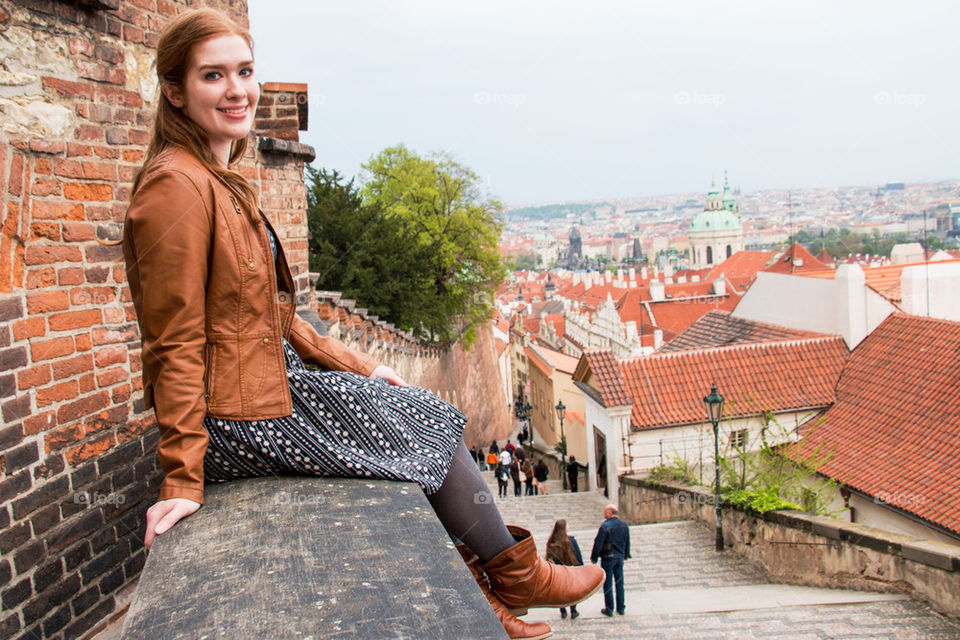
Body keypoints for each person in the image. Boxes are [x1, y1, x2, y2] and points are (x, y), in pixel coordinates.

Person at [122, 10, 603, 639]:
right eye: (214, 75)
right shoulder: (175, 187)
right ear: (176, 90)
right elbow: (173, 342)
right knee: (422, 425)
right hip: (234, 418)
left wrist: (360, 364)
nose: (237, 90)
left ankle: (497, 587)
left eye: (245, 71)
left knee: (419, 412)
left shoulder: (217, 176)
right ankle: (516, 577)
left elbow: (268, 316)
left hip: (262, 389)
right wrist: (184, 476)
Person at [590, 504, 631, 617]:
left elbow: (598, 543)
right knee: (619, 583)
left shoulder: (605, 526)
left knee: (607, 583)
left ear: (609, 512)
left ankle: (609, 608)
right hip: (619, 557)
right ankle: (621, 607)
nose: (604, 514)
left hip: (608, 558)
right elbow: (627, 541)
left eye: (605, 512)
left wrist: (594, 558)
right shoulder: (624, 525)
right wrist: (626, 554)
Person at [546, 520, 584, 620]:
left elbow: (549, 557)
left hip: (558, 571)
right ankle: (573, 610)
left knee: (560, 591)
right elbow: (578, 556)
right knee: (572, 590)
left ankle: (563, 611)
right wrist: (581, 567)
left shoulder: (552, 542)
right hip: (570, 570)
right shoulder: (571, 541)